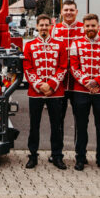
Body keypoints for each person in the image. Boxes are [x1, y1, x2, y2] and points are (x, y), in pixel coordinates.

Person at [69, 14, 100, 171]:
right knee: (81, 126)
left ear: (98, 26)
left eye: (93, 25)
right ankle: (80, 158)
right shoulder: (76, 44)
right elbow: (74, 67)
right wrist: (87, 82)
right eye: (87, 26)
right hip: (81, 91)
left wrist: (97, 81)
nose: (90, 28)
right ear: (83, 27)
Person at [22, 14, 69, 169]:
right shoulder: (29, 45)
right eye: (41, 25)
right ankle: (33, 155)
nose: (43, 28)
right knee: (34, 125)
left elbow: (63, 67)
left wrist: (51, 84)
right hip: (36, 92)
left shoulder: (60, 45)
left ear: (51, 26)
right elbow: (27, 68)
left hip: (55, 92)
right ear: (37, 27)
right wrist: (39, 85)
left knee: (57, 125)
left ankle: (57, 155)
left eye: (46, 25)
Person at [50, 0, 82, 120]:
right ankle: (59, 139)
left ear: (76, 12)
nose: (69, 12)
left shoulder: (84, 28)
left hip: (78, 82)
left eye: (72, 10)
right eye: (66, 10)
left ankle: (78, 140)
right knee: (58, 118)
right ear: (61, 12)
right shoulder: (53, 30)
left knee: (80, 119)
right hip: (60, 83)